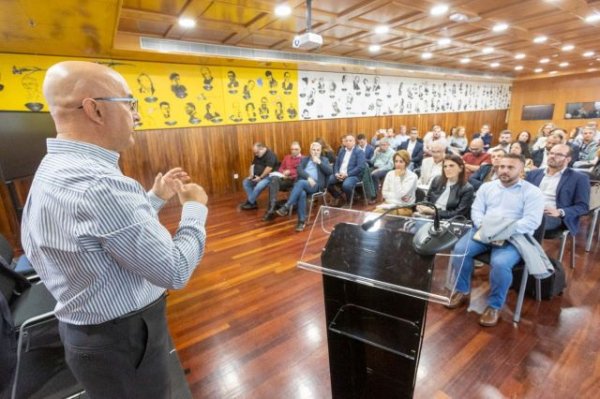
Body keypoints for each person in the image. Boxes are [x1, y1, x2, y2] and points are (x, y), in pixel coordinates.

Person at [20, 61, 209, 398]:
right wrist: (195, 208)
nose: (137, 115)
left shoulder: (54, 167)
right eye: (129, 102)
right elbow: (175, 269)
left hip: (89, 336)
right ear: (95, 110)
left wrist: (154, 198)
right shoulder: (100, 185)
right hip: (123, 341)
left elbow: (102, 237)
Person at [447, 154, 545, 327]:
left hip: (513, 237)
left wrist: (501, 231)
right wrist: (484, 226)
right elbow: (476, 211)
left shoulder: (533, 192)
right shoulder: (487, 187)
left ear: (521, 170)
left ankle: (494, 306)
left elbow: (531, 222)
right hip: (483, 230)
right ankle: (462, 290)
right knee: (460, 250)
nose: (504, 170)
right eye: (502, 166)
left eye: (510, 167)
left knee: (500, 264)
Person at [525, 144, 590, 234]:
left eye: (558, 154)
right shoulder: (534, 173)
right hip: (529, 210)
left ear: (568, 159)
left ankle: (527, 248)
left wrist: (560, 212)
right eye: (551, 153)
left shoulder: (579, 178)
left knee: (529, 223)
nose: (552, 156)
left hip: (553, 216)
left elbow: (583, 207)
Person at [275, 142, 333, 231]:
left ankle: (287, 206)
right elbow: (299, 170)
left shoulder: (324, 160)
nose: (315, 152)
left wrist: (319, 163)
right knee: (301, 193)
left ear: (321, 151)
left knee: (301, 183)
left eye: (318, 150)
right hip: (304, 184)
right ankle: (301, 222)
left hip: (316, 185)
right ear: (310, 151)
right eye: (313, 150)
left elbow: (329, 172)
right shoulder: (305, 159)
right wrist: (308, 177)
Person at [416, 154, 474, 219]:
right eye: (445, 166)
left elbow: (459, 214)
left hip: (449, 220)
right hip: (430, 215)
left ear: (460, 168)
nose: (447, 169)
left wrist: (433, 212)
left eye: (451, 166)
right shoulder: (437, 180)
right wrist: (422, 206)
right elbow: (428, 198)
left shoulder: (467, 188)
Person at [263, 142, 302, 221]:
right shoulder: (287, 157)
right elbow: (281, 168)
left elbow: (301, 172)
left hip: (295, 181)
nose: (293, 151)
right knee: (274, 179)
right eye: (292, 149)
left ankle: (270, 209)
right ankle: (272, 207)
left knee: (273, 182)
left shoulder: (303, 159)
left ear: (300, 149)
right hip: (284, 179)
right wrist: (283, 173)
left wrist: (290, 172)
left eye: (296, 149)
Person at [375, 150, 418, 217]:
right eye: (396, 161)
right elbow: (385, 193)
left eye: (401, 162)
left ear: (406, 163)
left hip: (404, 208)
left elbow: (400, 195)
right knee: (374, 213)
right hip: (389, 205)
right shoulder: (390, 174)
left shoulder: (412, 176)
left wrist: (397, 177)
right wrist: (397, 199)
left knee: (379, 214)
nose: (398, 164)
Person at [327, 134, 366, 207]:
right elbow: (336, 163)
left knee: (346, 185)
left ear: (354, 142)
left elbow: (360, 167)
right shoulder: (342, 150)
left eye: (350, 141)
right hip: (340, 174)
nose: (348, 142)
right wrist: (336, 173)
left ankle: (349, 201)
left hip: (353, 175)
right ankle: (338, 196)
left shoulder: (359, 152)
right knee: (327, 181)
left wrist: (347, 174)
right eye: (347, 141)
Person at [241, 142, 278, 210]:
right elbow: (252, 165)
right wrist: (251, 175)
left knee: (259, 186)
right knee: (246, 182)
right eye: (255, 153)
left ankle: (250, 202)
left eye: (257, 152)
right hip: (258, 176)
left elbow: (269, 168)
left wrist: (260, 177)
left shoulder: (271, 155)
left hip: (269, 176)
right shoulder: (257, 155)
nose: (256, 154)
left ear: (262, 149)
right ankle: (253, 202)